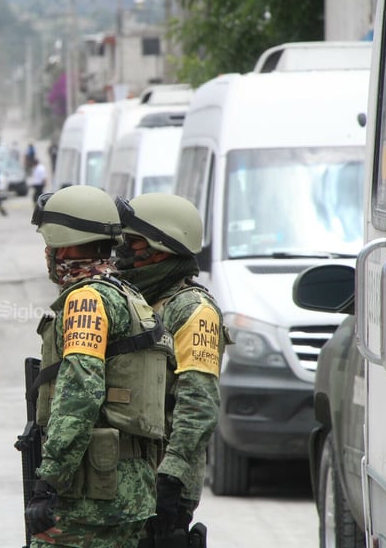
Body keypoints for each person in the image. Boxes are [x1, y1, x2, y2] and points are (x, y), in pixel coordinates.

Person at [26, 186, 169, 548]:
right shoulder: (126, 292)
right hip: (130, 491)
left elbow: (80, 394)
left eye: (51, 243)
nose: (48, 253)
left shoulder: (86, 300)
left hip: (90, 499)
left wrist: (50, 480)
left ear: (65, 242)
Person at [114, 193, 229, 544]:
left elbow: (198, 404)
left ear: (160, 249)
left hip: (164, 481)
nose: (122, 251)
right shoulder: (138, 301)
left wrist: (172, 477)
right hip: (130, 473)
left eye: (133, 243)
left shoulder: (193, 310)